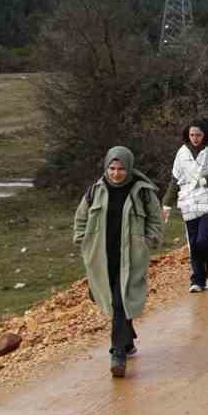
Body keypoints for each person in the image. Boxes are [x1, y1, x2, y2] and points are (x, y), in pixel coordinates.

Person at [75, 146, 164, 377]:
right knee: (115, 300)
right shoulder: (96, 190)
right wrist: (82, 239)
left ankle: (118, 354)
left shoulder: (142, 191)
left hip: (132, 257)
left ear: (129, 168)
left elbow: (155, 220)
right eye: (112, 168)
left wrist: (149, 240)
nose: (116, 174)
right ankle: (127, 340)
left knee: (120, 302)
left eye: (121, 169)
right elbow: (81, 217)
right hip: (103, 256)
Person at [162, 119, 208, 293]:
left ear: (205, 134)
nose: (195, 138)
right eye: (192, 135)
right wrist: (166, 204)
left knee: (203, 239)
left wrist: (205, 181)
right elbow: (175, 179)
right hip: (190, 202)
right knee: (193, 242)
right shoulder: (182, 153)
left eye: (198, 135)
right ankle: (197, 279)